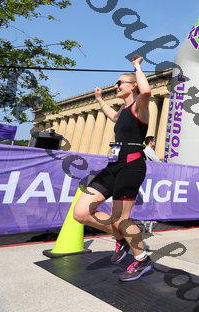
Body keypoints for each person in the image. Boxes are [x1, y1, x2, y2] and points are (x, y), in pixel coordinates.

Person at [73, 56, 153, 282]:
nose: (116, 86)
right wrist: (99, 99)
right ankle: (122, 238)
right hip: (113, 165)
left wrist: (137, 67)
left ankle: (142, 258)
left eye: (119, 83)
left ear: (133, 86)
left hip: (131, 165)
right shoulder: (123, 111)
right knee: (81, 212)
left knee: (120, 219)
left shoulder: (140, 107)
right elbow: (112, 116)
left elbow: (147, 91)